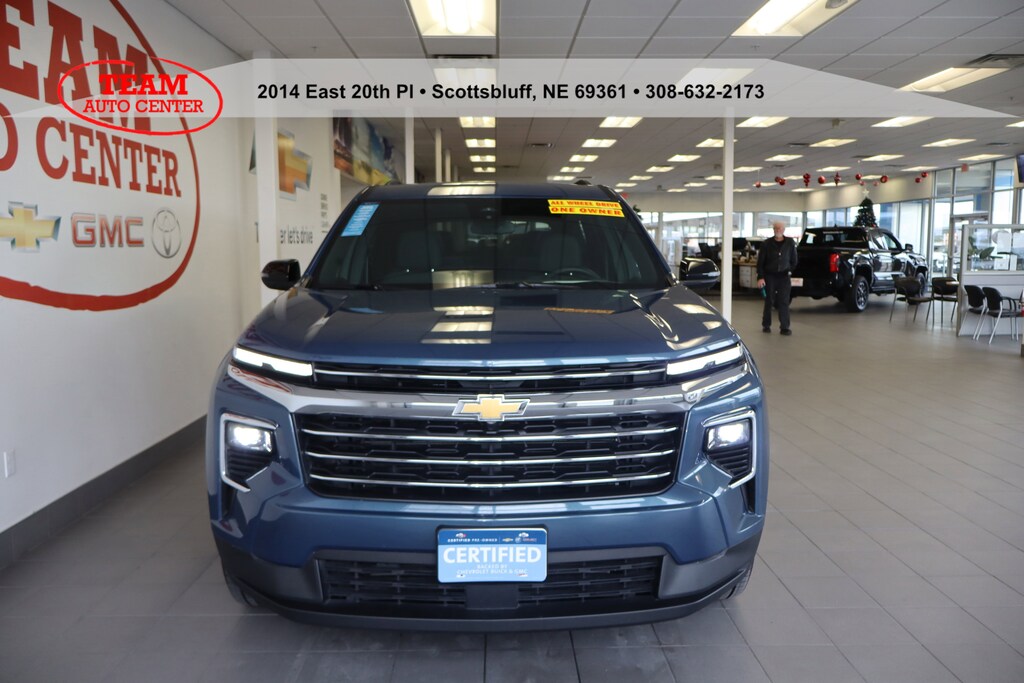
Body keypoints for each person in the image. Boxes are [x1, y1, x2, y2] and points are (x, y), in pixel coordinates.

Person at [756, 221, 798, 335]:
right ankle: (766, 325)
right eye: (776, 228)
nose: (778, 230)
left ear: (784, 229)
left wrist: (789, 270)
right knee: (769, 300)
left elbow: (794, 260)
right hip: (770, 276)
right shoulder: (766, 244)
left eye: (780, 228)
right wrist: (760, 277)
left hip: (784, 276)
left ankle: (785, 327)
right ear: (773, 229)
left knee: (784, 301)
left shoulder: (790, 242)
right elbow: (760, 262)